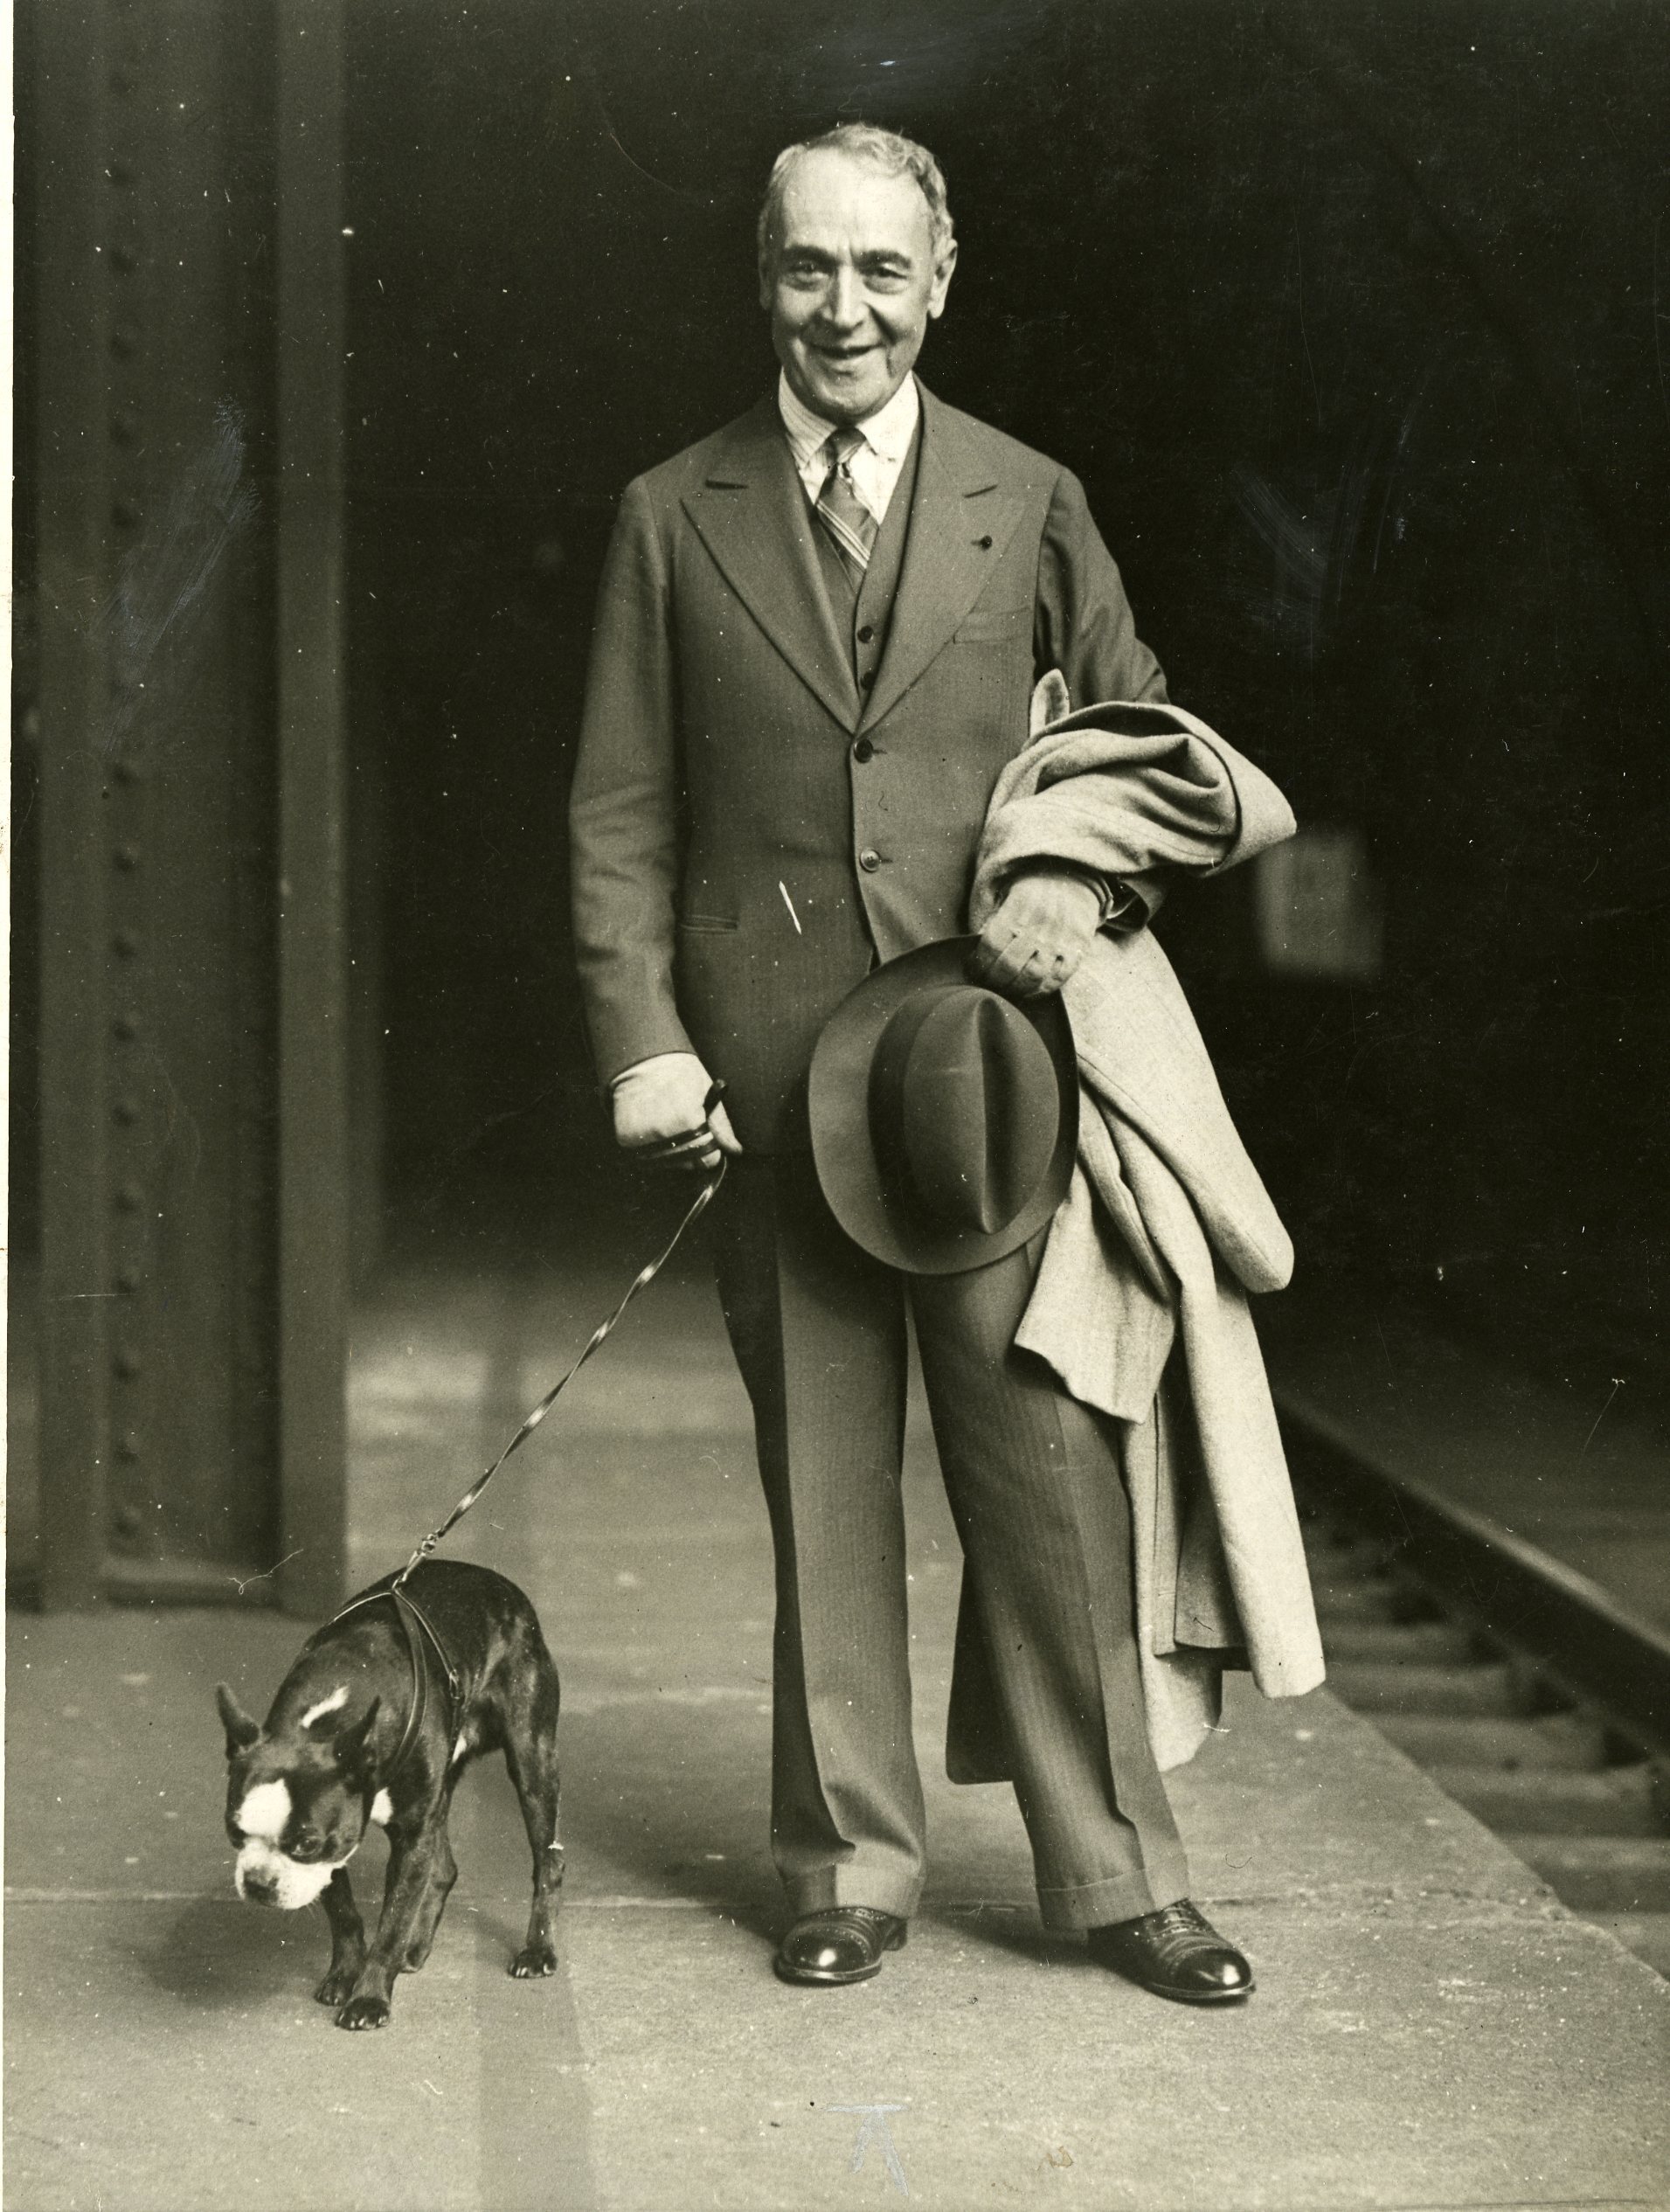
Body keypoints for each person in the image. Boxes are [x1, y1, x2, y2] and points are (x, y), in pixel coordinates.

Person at [570, 121, 1263, 2000]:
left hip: (987, 1085)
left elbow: (1145, 753)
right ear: (764, 279)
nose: (844, 309)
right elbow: (619, 817)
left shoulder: (1030, 499)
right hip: (768, 1090)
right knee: (826, 1493)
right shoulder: (669, 510)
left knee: (1047, 1479)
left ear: (938, 281)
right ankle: (843, 1865)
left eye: (882, 271)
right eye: (810, 269)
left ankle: (1118, 1876)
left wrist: (1079, 896)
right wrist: (642, 1039)